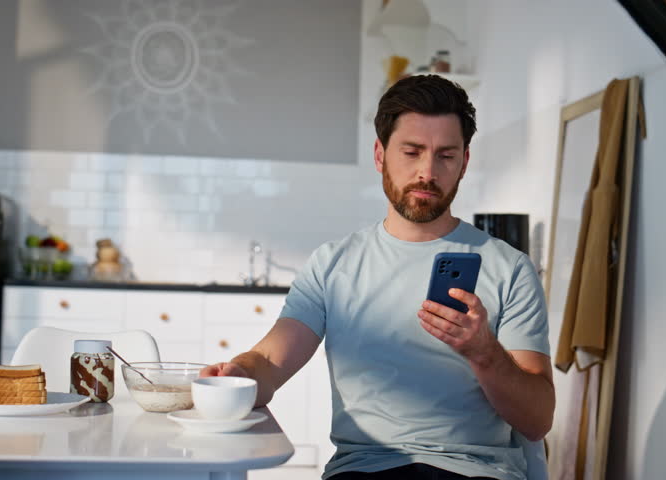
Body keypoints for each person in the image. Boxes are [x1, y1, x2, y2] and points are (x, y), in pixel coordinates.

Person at [200, 74, 554, 480]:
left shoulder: (510, 269)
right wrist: (238, 374)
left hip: (474, 472)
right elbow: (268, 360)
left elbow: (537, 422)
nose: (427, 171)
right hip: (366, 470)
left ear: (464, 163)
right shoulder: (333, 265)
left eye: (445, 155)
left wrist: (484, 352)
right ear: (380, 155)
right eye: (412, 152)